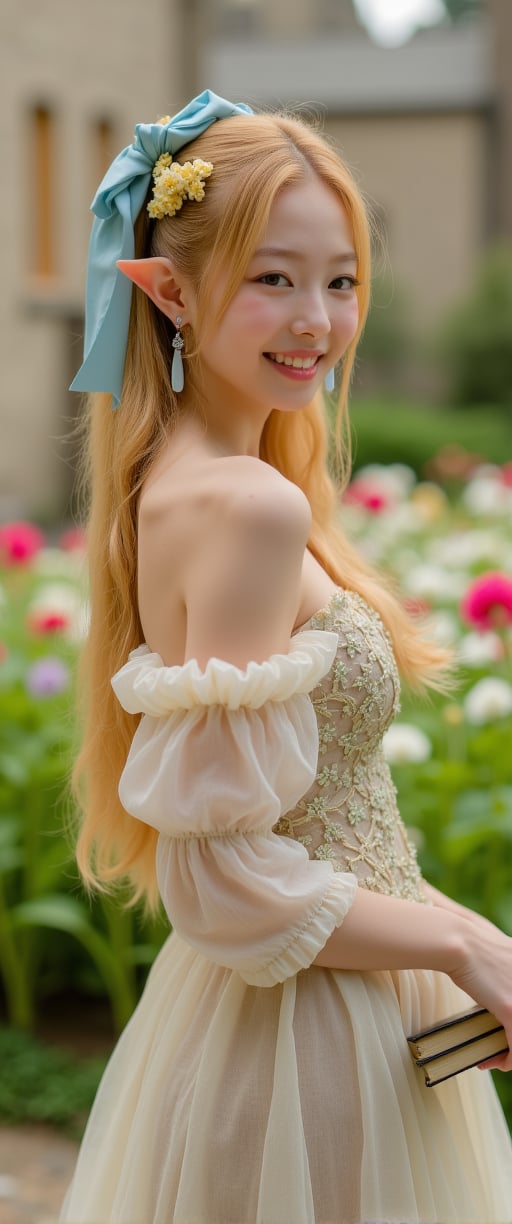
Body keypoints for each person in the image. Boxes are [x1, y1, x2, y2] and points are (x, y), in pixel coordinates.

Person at [60, 89, 512, 1224]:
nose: (315, 316)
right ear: (168, 293)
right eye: (271, 278)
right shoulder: (245, 506)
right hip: (306, 1047)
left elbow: (306, 827)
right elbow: (215, 875)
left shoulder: (174, 486)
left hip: (297, 1014)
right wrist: (461, 941)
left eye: (341, 279)